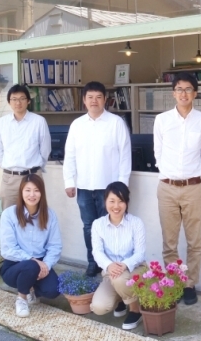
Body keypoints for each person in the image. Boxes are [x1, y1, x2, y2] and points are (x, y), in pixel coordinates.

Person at [153, 72, 201, 306]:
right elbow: (157, 152)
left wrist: (193, 172)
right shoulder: (162, 120)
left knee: (194, 240)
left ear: (195, 93)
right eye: (179, 89)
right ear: (173, 93)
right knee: (169, 241)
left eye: (188, 89)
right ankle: (175, 282)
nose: (183, 94)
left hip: (192, 187)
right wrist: (167, 171)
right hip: (167, 187)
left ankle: (189, 284)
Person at [63, 81, 132, 277]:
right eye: (90, 97)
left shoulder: (116, 123)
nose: (94, 101)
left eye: (98, 97)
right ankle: (93, 262)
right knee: (89, 227)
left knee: (110, 226)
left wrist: (122, 186)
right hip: (84, 186)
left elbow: (125, 155)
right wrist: (69, 182)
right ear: (84, 100)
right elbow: (70, 155)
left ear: (105, 100)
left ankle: (110, 266)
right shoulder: (77, 125)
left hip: (109, 188)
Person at [0, 174, 62, 318]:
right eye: (28, 190)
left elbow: (55, 245)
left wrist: (46, 265)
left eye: (36, 190)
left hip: (41, 262)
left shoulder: (50, 215)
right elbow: (7, 249)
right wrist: (34, 261)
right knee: (31, 265)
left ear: (42, 193)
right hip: (15, 265)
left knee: (54, 290)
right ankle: (22, 298)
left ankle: (31, 288)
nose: (32, 195)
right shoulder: (9, 214)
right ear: (21, 192)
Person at [90, 182, 146, 330]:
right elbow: (97, 252)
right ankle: (122, 299)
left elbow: (140, 253)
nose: (116, 206)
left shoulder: (136, 223)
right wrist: (109, 265)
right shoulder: (98, 224)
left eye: (121, 201)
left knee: (121, 278)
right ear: (105, 202)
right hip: (111, 272)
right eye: (112, 201)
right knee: (98, 307)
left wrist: (124, 265)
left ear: (126, 203)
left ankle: (135, 310)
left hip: (135, 269)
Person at [0, 84, 51, 210]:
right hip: (10, 179)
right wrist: (5, 165)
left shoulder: (39, 121)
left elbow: (45, 149)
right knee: (9, 216)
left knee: (35, 215)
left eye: (22, 98)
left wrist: (37, 167)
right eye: (14, 99)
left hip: (33, 176)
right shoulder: (1, 123)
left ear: (28, 101)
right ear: (9, 102)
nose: (18, 102)